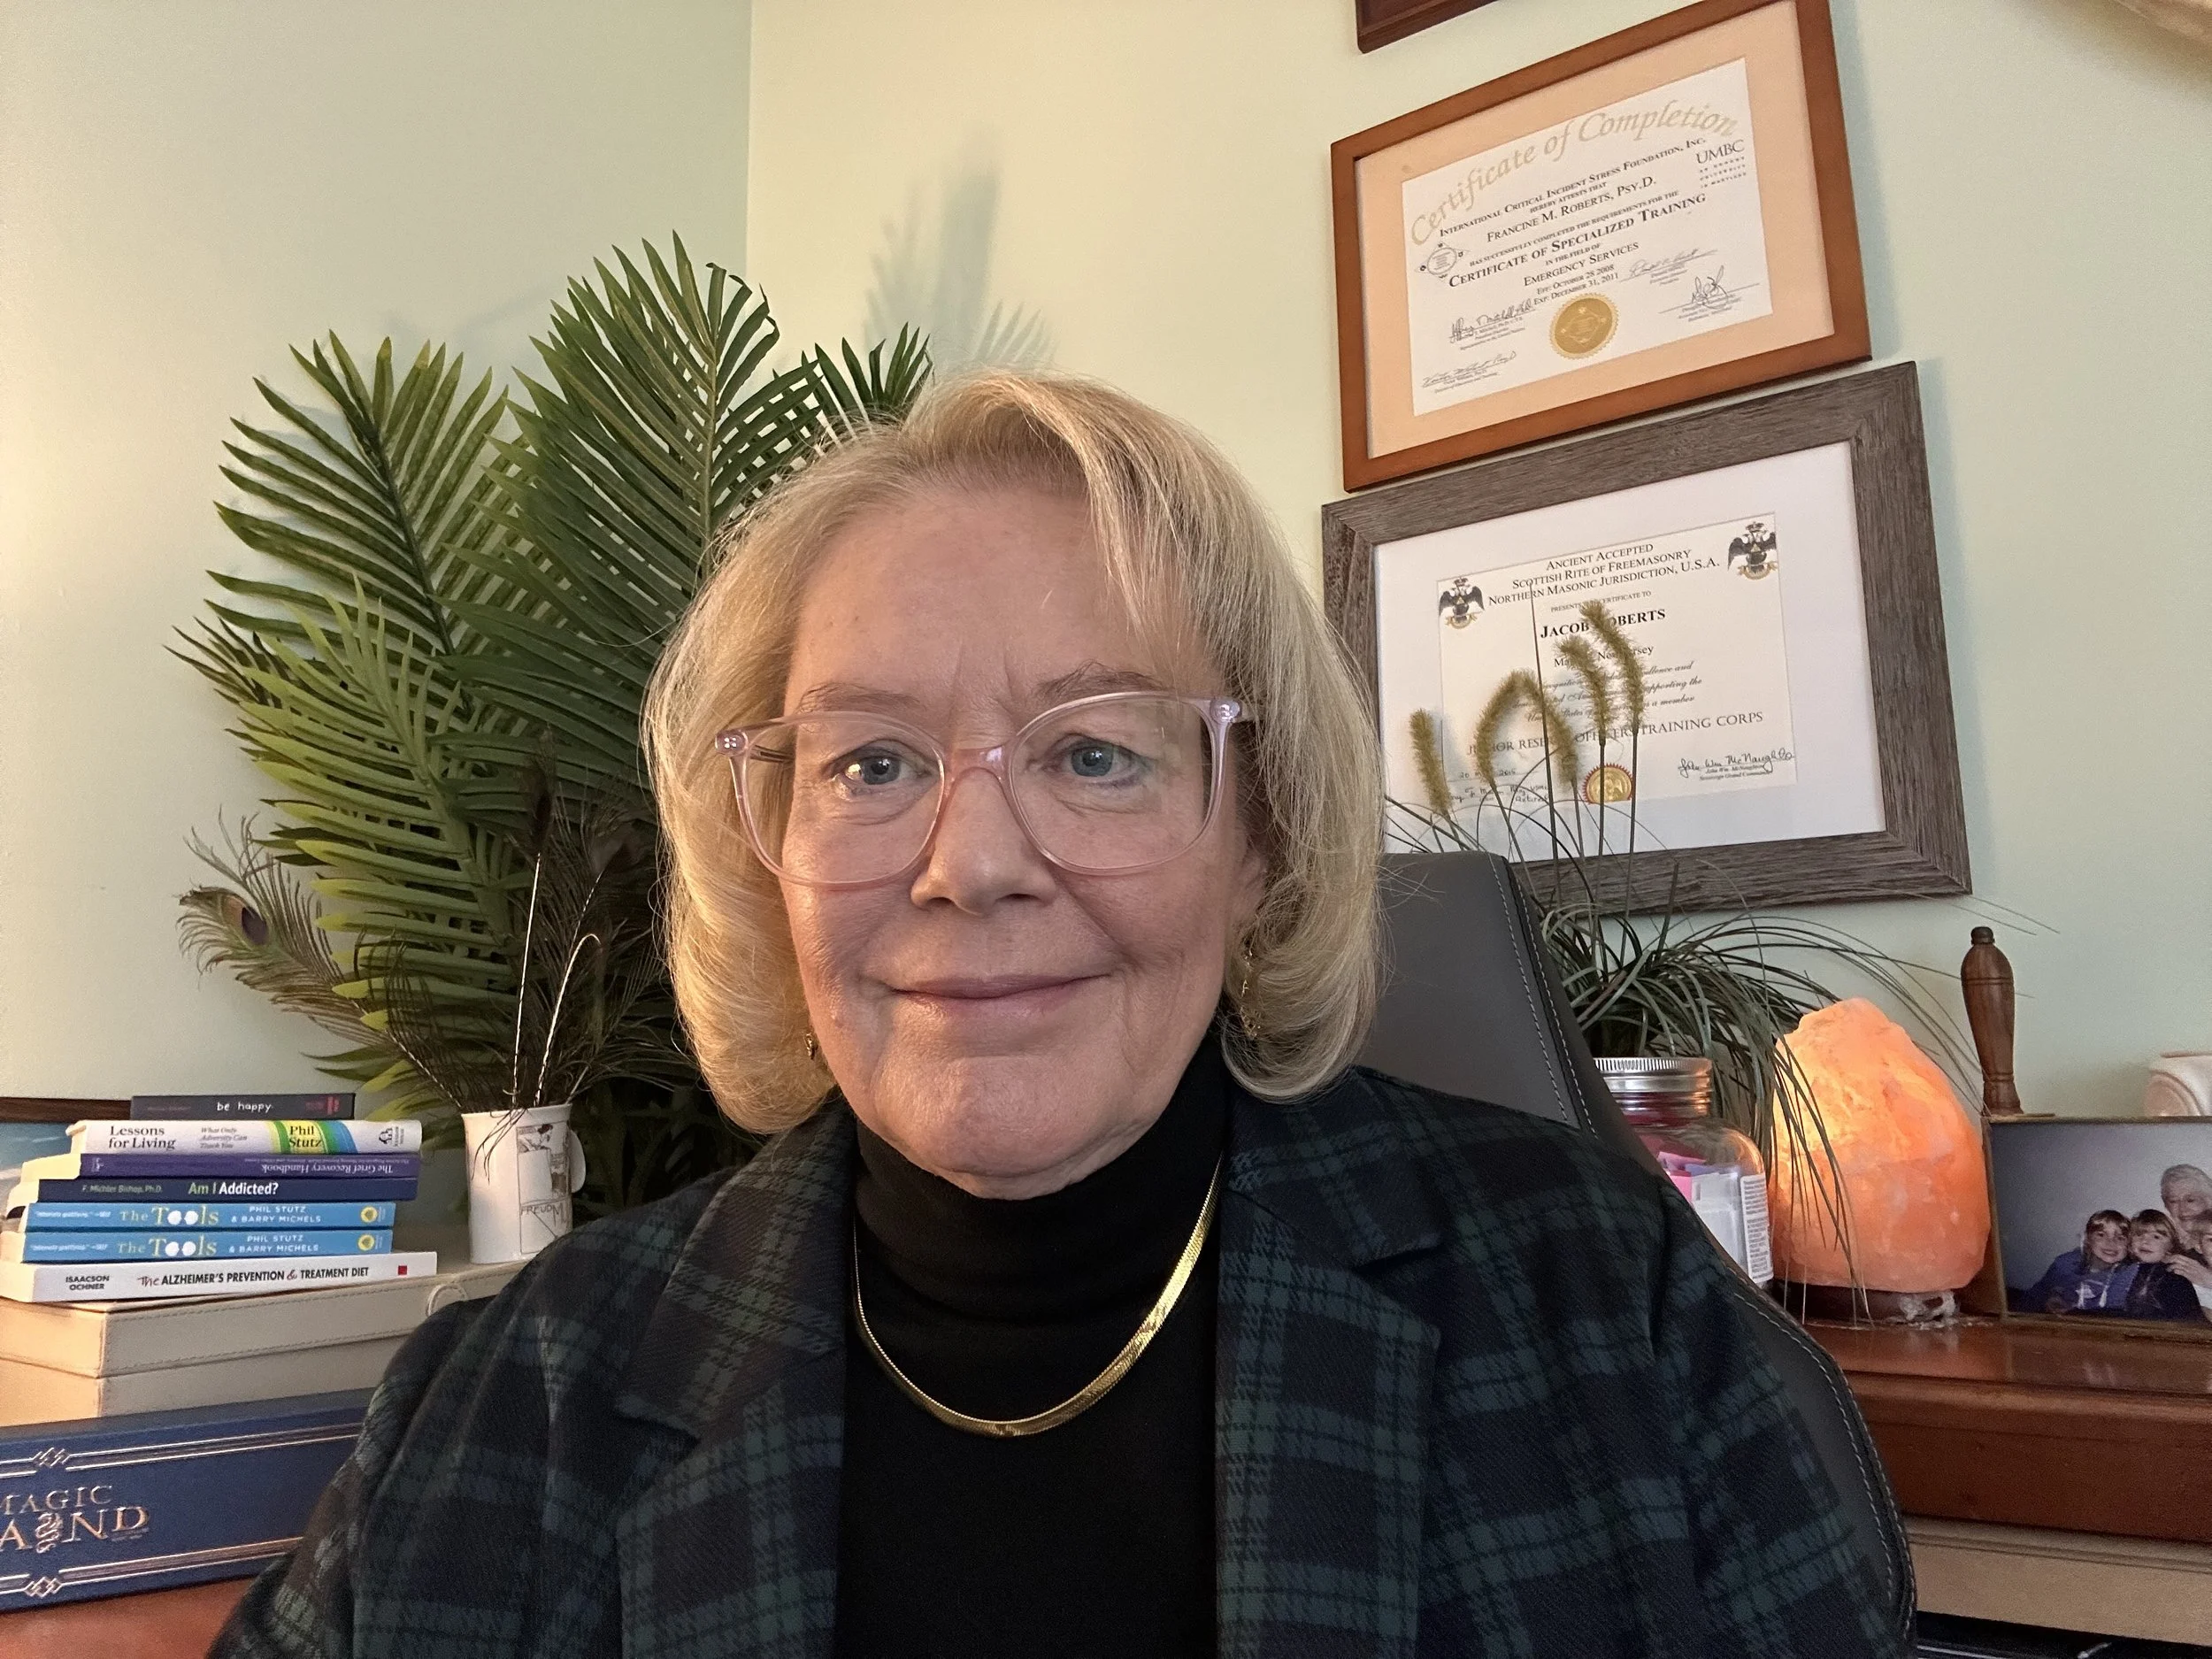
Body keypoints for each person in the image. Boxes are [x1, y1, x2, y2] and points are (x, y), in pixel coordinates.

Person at [214, 373, 1898, 1658]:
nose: (971, 865)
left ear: (1261, 836)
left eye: (1098, 750)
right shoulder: (513, 1398)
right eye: (870, 762)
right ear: (768, 851)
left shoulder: (1607, 1309)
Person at [2014, 1210, 2137, 1314]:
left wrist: (2071, 1311)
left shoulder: (2128, 1274)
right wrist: (2047, 1303)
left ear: (2129, 1245)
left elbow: (2111, 1314)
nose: (2111, 1243)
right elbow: (2034, 1296)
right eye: (2101, 1235)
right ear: (2088, 1239)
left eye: (2120, 1238)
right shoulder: (2065, 1264)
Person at [2120, 1210, 2204, 1322]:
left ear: (2170, 1245)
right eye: (2139, 1235)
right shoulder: (2123, 1271)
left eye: (2156, 1237)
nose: (2145, 1241)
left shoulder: (2177, 1278)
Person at [2157, 1164, 2212, 1319]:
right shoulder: (2162, 1241)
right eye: (2173, 1201)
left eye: (2190, 1200)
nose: (2182, 1210)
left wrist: (2210, 1282)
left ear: (2209, 1201)